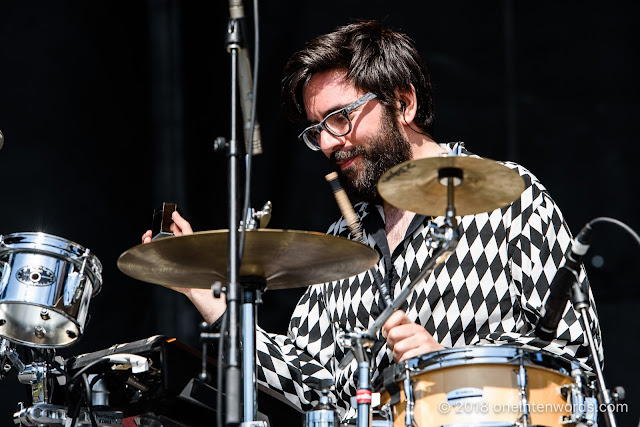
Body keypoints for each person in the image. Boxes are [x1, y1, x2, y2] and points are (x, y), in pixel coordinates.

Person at [143, 20, 602, 418]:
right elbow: (309, 381)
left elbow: (577, 360)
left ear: (403, 103)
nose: (327, 142)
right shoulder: (346, 237)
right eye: (315, 129)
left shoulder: (507, 196)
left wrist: (453, 367)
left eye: (339, 117)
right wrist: (208, 298)